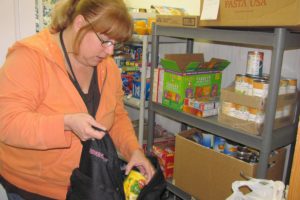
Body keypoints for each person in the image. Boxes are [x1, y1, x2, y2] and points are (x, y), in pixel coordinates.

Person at [0, 0, 154, 199]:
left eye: (115, 44)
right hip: (33, 188)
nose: (109, 52)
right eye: (105, 41)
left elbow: (116, 115)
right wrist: (65, 123)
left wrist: (133, 150)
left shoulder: (108, 68)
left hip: (87, 185)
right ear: (80, 23)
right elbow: (6, 122)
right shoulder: (30, 57)